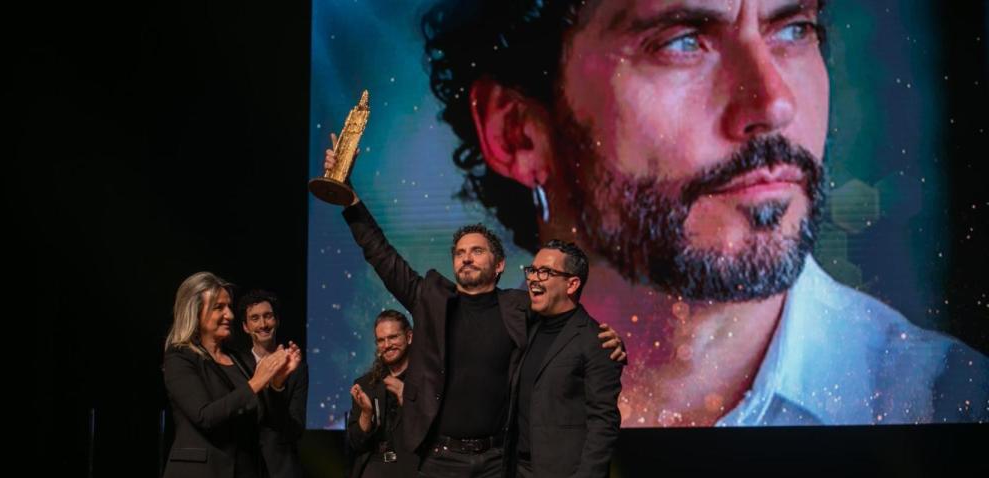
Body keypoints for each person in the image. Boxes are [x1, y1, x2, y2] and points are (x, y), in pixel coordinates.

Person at [420, 0, 987, 426]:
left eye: (793, 29)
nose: (773, 103)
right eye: (682, 42)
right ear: (517, 133)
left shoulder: (949, 409)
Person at [321, 144, 625, 478]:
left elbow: (569, 319)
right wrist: (350, 202)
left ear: (499, 265)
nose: (466, 257)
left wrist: (611, 341)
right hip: (439, 460)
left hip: (496, 468)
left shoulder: (521, 308)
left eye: (477, 250)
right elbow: (382, 256)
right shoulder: (431, 298)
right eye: (460, 252)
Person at [156, 272, 302, 478]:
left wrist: (275, 384)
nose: (229, 315)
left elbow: (259, 417)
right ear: (195, 312)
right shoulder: (180, 358)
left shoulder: (236, 359)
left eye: (229, 307)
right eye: (219, 308)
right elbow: (205, 415)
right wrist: (257, 382)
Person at [512, 240, 623, 478]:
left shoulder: (595, 340)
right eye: (532, 270)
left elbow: (603, 423)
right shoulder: (525, 327)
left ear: (572, 284)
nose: (534, 278)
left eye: (545, 272)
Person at [237, 289, 308, 478]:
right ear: (245, 326)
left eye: (267, 316)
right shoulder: (235, 363)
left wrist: (277, 384)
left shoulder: (296, 367)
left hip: (278, 475)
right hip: (239, 473)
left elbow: (294, 428)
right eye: (254, 318)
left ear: (277, 321)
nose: (262, 324)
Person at [347, 310, 418, 478]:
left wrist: (408, 398)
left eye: (393, 337)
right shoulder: (365, 384)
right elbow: (355, 440)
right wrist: (365, 414)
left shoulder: (426, 381)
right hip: (374, 474)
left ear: (409, 337)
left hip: (412, 473)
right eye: (380, 340)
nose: (387, 345)